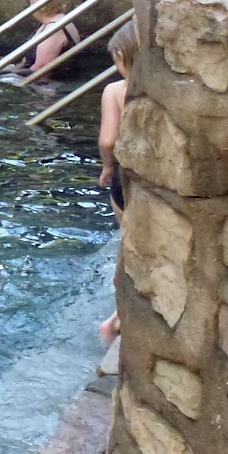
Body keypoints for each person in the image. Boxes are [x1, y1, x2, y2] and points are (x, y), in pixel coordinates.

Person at [98, 21, 138, 344]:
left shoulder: (115, 91)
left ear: (123, 56)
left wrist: (107, 167)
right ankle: (119, 317)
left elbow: (108, 139)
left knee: (129, 246)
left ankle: (116, 319)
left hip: (125, 179)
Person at [21, 0, 81, 74]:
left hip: (49, 83)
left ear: (39, 6)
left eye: (31, 3)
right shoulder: (58, 20)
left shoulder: (53, 31)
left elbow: (40, 69)